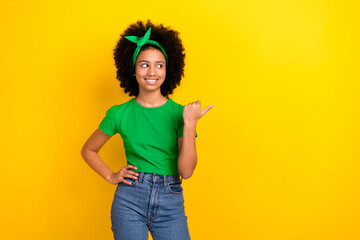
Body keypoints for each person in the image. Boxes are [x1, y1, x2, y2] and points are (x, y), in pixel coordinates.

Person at [81, 20, 214, 240]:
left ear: (168, 70)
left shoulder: (180, 114)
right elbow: (88, 150)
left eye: (159, 65)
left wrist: (190, 125)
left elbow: (187, 172)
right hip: (129, 200)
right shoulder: (119, 113)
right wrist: (110, 175)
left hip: (170, 200)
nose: (152, 71)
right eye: (144, 64)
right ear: (132, 69)